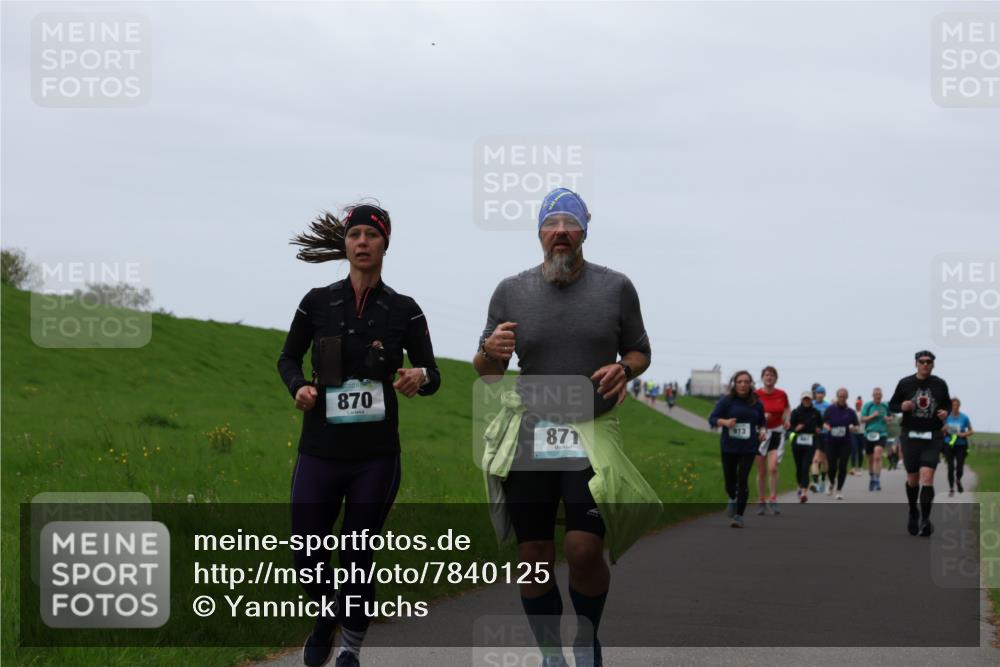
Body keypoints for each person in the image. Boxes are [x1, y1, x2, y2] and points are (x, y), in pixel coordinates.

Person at [476, 187, 659, 667]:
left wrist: (628, 368)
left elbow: (640, 349)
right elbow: (487, 370)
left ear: (584, 230)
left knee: (582, 547)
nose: (560, 232)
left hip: (589, 431)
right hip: (531, 434)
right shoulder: (511, 290)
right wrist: (489, 351)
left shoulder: (615, 287)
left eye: (569, 224)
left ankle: (587, 634)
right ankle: (550, 654)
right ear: (539, 234)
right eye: (550, 225)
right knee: (533, 556)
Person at [278, 202, 442, 667]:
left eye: (372, 235)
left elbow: (433, 373)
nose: (363, 242)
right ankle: (327, 617)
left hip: (375, 457)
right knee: (306, 551)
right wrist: (300, 387)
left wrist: (419, 378)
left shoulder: (404, 311)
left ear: (385, 243)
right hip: (320, 449)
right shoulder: (316, 302)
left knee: (355, 552)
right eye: (355, 236)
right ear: (344, 245)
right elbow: (287, 358)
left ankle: (349, 648)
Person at [888, 350, 952, 537]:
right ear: (915, 363)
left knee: (927, 477)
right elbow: (891, 405)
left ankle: (925, 519)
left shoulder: (939, 384)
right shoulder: (905, 383)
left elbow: (947, 404)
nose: (925, 364)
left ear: (933, 364)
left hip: (932, 436)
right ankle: (913, 511)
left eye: (928, 362)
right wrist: (901, 407)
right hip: (910, 436)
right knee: (912, 479)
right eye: (921, 361)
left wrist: (945, 412)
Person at [709, 371, 768, 528]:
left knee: (743, 480)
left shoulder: (756, 403)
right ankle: (732, 497)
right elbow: (712, 418)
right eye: (740, 381)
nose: (743, 384)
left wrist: (762, 432)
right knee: (730, 482)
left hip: (749, 448)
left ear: (751, 384)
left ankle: (739, 516)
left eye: (746, 381)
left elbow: (762, 422)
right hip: (729, 447)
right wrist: (725, 422)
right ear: (735, 384)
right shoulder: (727, 401)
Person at [754, 366, 790, 515]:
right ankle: (761, 501)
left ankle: (773, 499)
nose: (769, 378)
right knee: (761, 470)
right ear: (762, 378)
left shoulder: (782, 394)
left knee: (773, 468)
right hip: (760, 432)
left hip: (776, 431)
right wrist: (762, 417)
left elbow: (787, 408)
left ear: (776, 378)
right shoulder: (755, 394)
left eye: (772, 375)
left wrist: (786, 419)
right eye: (767, 375)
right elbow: (749, 411)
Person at [822, 388, 859, 500]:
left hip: (845, 443)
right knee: (832, 467)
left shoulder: (850, 412)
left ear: (846, 397)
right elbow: (823, 422)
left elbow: (857, 426)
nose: (842, 398)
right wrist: (826, 426)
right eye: (840, 396)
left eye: (844, 396)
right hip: (831, 442)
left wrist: (854, 428)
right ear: (837, 397)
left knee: (842, 466)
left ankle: (839, 490)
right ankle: (832, 483)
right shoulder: (830, 409)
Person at [788, 391, 822, 503]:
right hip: (797, 443)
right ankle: (800, 486)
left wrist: (818, 429)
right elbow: (789, 428)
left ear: (811, 400)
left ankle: (804, 492)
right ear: (802, 400)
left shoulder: (816, 412)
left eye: (808, 399)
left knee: (805, 467)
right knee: (799, 468)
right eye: (804, 399)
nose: (806, 401)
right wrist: (795, 429)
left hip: (810, 442)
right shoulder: (796, 412)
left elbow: (820, 425)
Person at [860, 388, 891, 491]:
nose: (878, 396)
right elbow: (862, 419)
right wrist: (872, 416)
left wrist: (888, 419)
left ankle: (877, 479)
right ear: (872, 395)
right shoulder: (868, 405)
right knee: (871, 459)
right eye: (876, 394)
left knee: (877, 456)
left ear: (881, 396)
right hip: (869, 434)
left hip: (881, 433)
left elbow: (890, 417)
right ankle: (872, 477)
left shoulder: (885, 406)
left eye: (879, 394)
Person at [943, 398, 974, 496]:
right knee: (950, 467)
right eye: (952, 405)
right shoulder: (946, 417)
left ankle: (958, 480)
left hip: (961, 445)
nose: (954, 407)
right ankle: (951, 488)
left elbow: (971, 430)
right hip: (949, 444)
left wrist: (963, 434)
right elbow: (941, 429)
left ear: (959, 406)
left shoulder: (964, 418)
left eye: (956, 405)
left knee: (960, 467)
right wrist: (944, 429)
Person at [809, 384, 832, 493]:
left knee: (824, 460)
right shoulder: (811, 405)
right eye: (818, 393)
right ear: (815, 394)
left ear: (824, 394)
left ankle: (823, 480)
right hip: (814, 435)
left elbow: (831, 420)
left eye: (822, 393)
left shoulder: (827, 406)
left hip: (825, 435)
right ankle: (815, 483)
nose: (820, 395)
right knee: (815, 459)